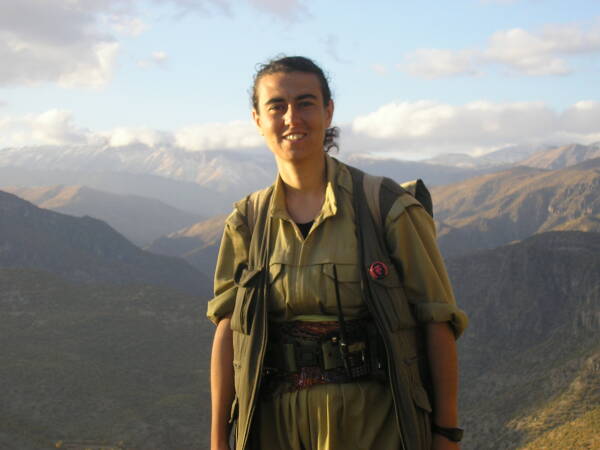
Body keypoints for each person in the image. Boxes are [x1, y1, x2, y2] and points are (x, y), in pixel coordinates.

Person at [208, 56, 468, 450]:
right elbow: (228, 329)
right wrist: (218, 439)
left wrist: (446, 434)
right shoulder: (247, 221)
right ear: (258, 119)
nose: (292, 117)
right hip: (274, 428)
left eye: (306, 103)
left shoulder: (385, 207)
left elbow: (437, 319)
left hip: (376, 425)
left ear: (328, 111)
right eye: (277, 106)